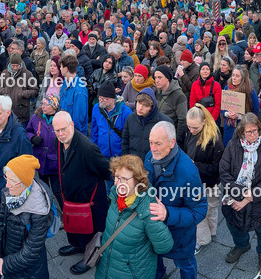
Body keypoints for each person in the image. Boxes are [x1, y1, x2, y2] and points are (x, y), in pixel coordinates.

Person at [95, 155, 176, 279]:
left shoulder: (147, 210)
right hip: (106, 267)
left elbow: (164, 246)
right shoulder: (115, 195)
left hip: (131, 273)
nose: (118, 183)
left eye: (124, 179)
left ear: (138, 180)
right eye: (116, 177)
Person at [52, 111, 112, 275]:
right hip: (72, 199)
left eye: (63, 129)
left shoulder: (87, 148)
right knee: (75, 228)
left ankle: (89, 258)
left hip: (89, 201)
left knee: (91, 233)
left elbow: (106, 171)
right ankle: (77, 245)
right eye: (56, 131)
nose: (60, 134)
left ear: (71, 125)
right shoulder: (61, 141)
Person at [145, 122, 207, 279]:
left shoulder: (188, 173)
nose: (153, 148)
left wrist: (167, 213)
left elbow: (199, 210)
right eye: (151, 142)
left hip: (179, 236)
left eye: (158, 143)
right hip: (154, 229)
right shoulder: (149, 157)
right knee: (154, 257)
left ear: (172, 142)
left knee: (185, 265)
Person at [218, 113, 261, 268]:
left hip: (259, 198)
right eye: (249, 132)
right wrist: (239, 194)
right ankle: (242, 245)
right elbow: (224, 172)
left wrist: (247, 198)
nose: (253, 135)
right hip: (235, 195)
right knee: (233, 223)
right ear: (241, 132)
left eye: (255, 131)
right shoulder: (233, 146)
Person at [0, 155, 56, 279]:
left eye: (12, 181)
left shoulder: (39, 210)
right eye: (6, 178)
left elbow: (30, 252)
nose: (7, 185)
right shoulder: (9, 193)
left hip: (29, 271)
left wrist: (4, 265)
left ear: (25, 183)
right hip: (7, 257)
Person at [178, 104, 224, 253]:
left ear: (204, 122)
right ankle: (205, 237)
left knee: (208, 210)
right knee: (202, 212)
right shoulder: (188, 130)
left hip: (209, 182)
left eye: (195, 128)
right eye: (189, 127)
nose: (191, 131)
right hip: (194, 181)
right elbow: (180, 145)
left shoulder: (215, 139)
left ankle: (207, 236)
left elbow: (217, 169)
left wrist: (194, 164)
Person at [122, 89, 171, 156]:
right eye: (139, 103)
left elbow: (168, 146)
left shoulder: (163, 122)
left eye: (145, 105)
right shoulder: (131, 118)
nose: (140, 108)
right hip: (133, 162)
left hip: (153, 162)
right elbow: (125, 142)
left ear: (152, 107)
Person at [0, 53, 39, 124]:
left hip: (21, 113)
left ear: (20, 64)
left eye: (17, 65)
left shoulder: (28, 74)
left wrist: (23, 93)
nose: (15, 68)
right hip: (6, 111)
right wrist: (4, 91)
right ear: (10, 64)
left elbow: (35, 90)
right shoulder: (5, 73)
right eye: (13, 65)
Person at [58, 54, 89, 135]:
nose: (60, 68)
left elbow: (79, 119)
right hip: (63, 129)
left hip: (74, 134)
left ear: (66, 69)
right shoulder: (65, 83)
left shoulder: (79, 90)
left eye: (61, 67)